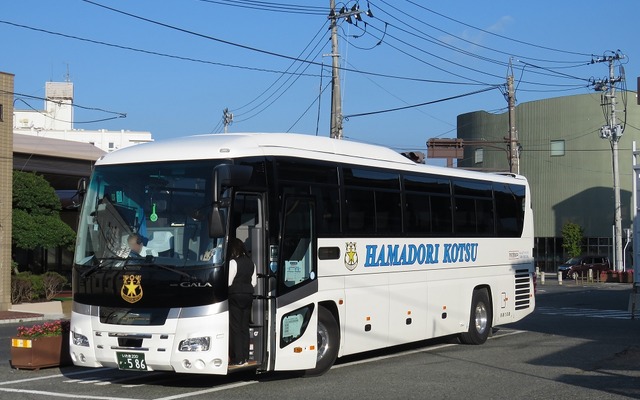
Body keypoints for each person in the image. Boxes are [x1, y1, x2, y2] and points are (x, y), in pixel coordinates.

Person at [227, 238, 257, 366]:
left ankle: (238, 358)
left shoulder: (233, 262)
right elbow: (254, 282)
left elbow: (228, 281)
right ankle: (245, 357)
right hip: (248, 295)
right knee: (245, 327)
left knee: (235, 327)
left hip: (235, 295)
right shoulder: (251, 263)